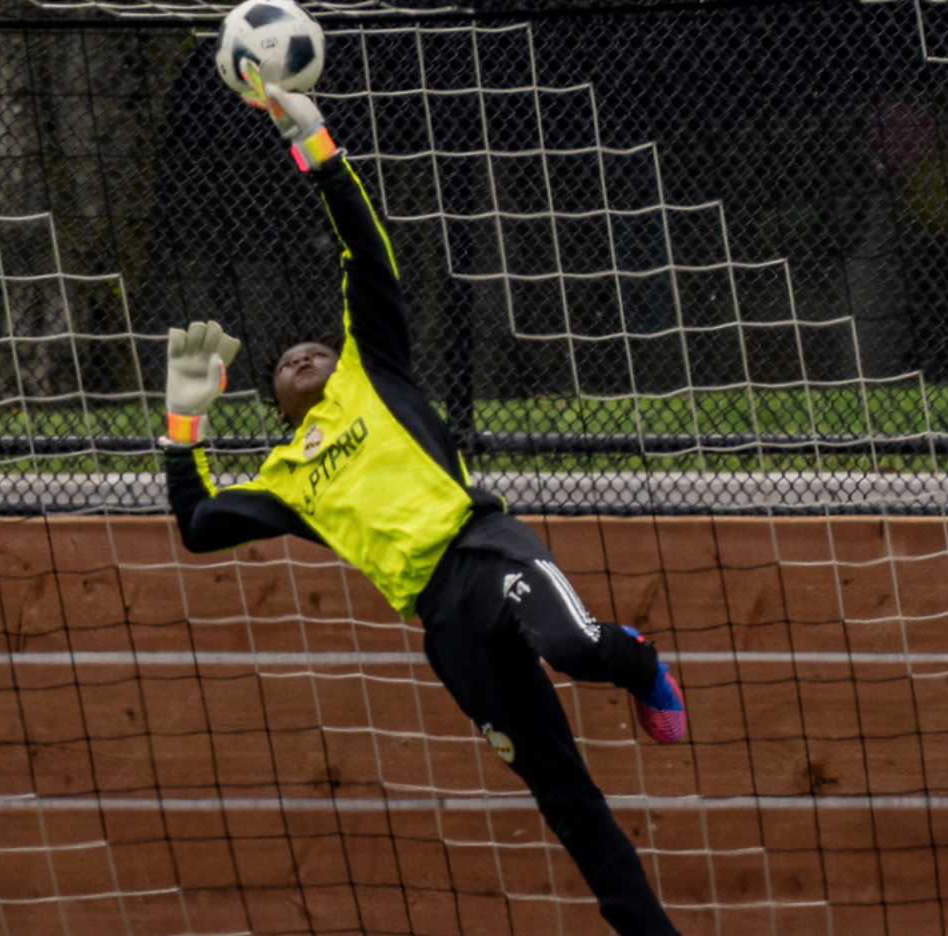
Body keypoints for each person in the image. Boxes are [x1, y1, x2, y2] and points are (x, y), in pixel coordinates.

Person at [160, 60, 685, 936]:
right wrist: (183, 423)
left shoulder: (374, 372)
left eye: (313, 348)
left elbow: (362, 250)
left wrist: (313, 144)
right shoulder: (287, 477)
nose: (303, 353)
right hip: (444, 624)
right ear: (276, 408)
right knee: (564, 797)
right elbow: (197, 526)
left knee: (577, 647)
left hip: (488, 554)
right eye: (286, 361)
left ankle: (637, 659)